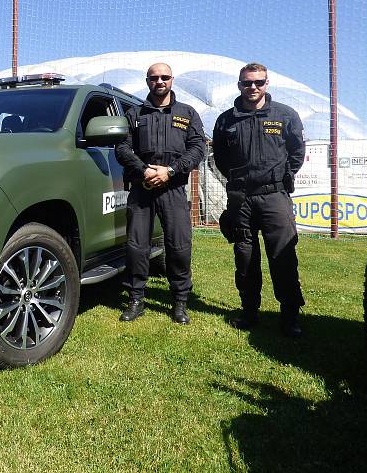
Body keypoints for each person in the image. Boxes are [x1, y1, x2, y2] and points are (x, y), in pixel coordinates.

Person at [212, 62, 306, 338]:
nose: (252, 87)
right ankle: (249, 311)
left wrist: (280, 177)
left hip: (274, 196)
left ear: (267, 83)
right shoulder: (225, 120)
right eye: (247, 83)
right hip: (241, 198)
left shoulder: (286, 116)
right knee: (245, 256)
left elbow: (296, 153)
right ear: (239, 85)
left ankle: (290, 316)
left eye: (258, 82)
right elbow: (220, 158)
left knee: (283, 256)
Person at [115, 63, 206, 324]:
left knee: (178, 245)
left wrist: (171, 171)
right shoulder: (134, 114)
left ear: (172, 80)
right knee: (136, 246)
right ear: (147, 81)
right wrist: (143, 170)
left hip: (174, 187)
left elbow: (197, 148)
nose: (160, 81)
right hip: (142, 189)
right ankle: (136, 299)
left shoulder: (187, 113)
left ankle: (179, 301)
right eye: (154, 78)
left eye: (164, 77)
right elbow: (122, 148)